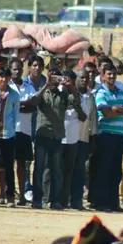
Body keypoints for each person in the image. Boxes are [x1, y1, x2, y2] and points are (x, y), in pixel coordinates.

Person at [32, 68, 73, 210]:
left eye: (57, 77)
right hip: (43, 134)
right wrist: (46, 84)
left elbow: (76, 102)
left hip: (57, 135)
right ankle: (37, 200)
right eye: (53, 77)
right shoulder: (43, 91)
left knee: (56, 170)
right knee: (39, 168)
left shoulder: (63, 94)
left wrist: (70, 87)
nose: (55, 80)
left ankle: (55, 201)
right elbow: (34, 101)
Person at [94, 64, 123, 212]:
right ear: (103, 76)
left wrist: (116, 109)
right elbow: (106, 113)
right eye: (109, 74)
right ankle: (102, 203)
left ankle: (113, 204)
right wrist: (120, 111)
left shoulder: (121, 92)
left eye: (114, 74)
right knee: (104, 170)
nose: (112, 77)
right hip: (105, 135)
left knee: (116, 171)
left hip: (119, 136)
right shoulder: (100, 93)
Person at [63, 69, 95, 210]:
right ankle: (63, 199)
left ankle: (77, 200)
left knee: (79, 171)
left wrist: (93, 136)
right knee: (66, 170)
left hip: (83, 138)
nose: (84, 80)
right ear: (76, 79)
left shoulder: (91, 96)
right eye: (81, 77)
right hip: (69, 138)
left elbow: (92, 118)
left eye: (86, 78)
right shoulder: (69, 95)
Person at [9, 58, 39, 207]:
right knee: (6, 165)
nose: (17, 71)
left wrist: (17, 105)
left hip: (25, 131)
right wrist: (23, 105)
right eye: (14, 69)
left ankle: (21, 195)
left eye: (19, 69)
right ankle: (6, 195)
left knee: (22, 165)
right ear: (10, 70)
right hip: (9, 130)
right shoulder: (6, 86)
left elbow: (33, 106)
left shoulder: (29, 87)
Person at [0, 66, 22, 206]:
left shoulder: (14, 95)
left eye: (6, 76)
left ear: (9, 78)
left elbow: (15, 115)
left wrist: (12, 131)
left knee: (9, 167)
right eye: (1, 76)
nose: (3, 79)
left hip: (8, 134)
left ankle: (10, 197)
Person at [58, 71, 88, 210]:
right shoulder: (58, 94)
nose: (67, 82)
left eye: (70, 80)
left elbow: (83, 116)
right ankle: (52, 199)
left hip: (72, 139)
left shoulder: (79, 97)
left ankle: (64, 201)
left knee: (69, 172)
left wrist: (74, 95)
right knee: (55, 170)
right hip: (58, 138)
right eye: (65, 79)